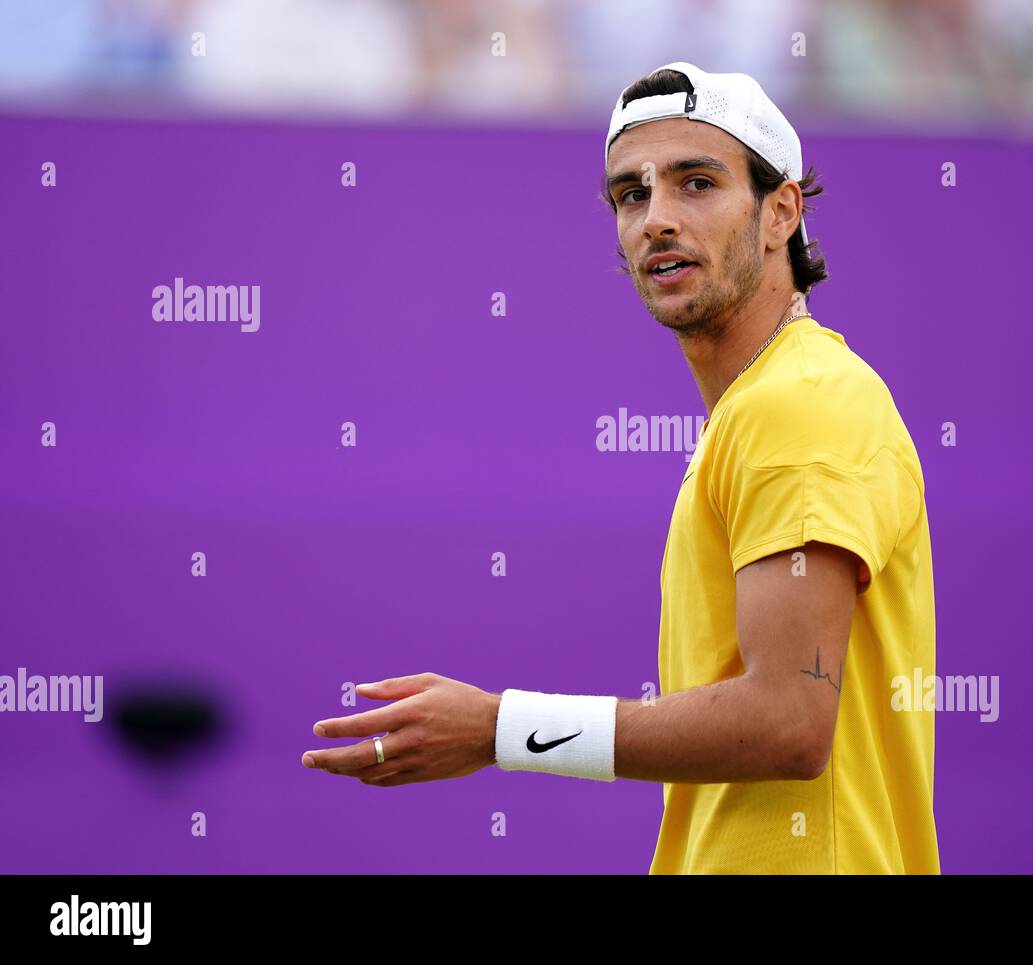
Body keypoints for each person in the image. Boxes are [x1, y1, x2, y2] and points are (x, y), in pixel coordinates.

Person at [301, 61, 940, 875]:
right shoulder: (763, 408)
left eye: (696, 182)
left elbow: (789, 721)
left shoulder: (802, 401)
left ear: (781, 212)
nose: (656, 220)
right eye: (631, 195)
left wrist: (502, 728)